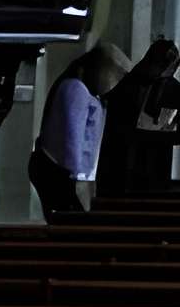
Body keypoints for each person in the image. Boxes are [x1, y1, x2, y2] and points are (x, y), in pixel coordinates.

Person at [30, 42, 126, 221]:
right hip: (63, 171)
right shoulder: (76, 89)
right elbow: (72, 137)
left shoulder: (82, 90)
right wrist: (77, 178)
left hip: (67, 171)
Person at [97, 39, 180, 201]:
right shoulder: (131, 82)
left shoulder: (173, 91)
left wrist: (148, 134)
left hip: (154, 168)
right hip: (120, 164)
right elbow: (111, 115)